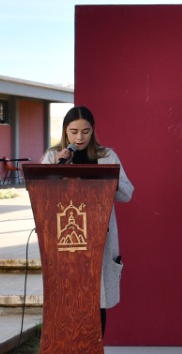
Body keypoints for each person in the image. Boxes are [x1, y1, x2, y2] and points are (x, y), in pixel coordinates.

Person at [41, 105, 134, 335]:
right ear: (65, 131)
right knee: (70, 304)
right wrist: (57, 167)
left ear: (93, 131)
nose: (79, 137)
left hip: (98, 239)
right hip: (65, 242)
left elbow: (127, 193)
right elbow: (39, 192)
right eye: (73, 131)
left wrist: (107, 180)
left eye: (85, 131)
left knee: (97, 302)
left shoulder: (106, 156)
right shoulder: (54, 156)